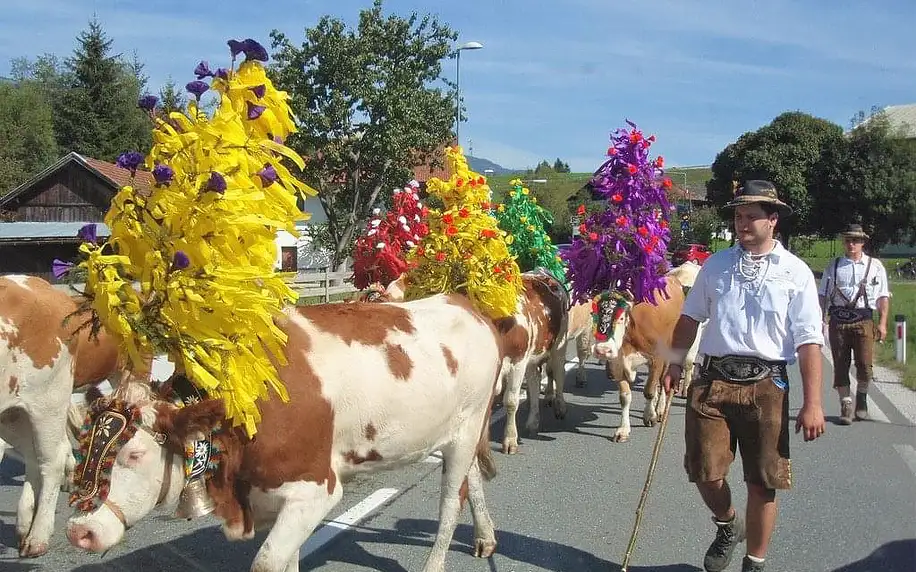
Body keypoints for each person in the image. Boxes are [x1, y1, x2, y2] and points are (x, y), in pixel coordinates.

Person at [662, 180, 826, 572]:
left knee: (762, 481)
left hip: (767, 385)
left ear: (773, 220)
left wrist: (814, 402)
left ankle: (755, 562)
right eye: (738, 215)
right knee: (704, 471)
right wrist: (671, 362)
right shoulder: (715, 265)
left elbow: (808, 340)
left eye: (751, 216)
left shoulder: (796, 273)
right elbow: (688, 319)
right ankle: (727, 523)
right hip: (712, 380)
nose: (742, 223)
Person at [818, 223, 890, 424]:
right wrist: (820, 318)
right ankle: (846, 404)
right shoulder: (833, 265)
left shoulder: (874, 266)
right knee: (840, 365)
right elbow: (822, 294)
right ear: (844, 242)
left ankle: (862, 398)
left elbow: (883, 296)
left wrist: (882, 323)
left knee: (865, 365)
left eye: (856, 240)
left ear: (862, 243)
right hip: (838, 321)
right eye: (848, 240)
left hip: (864, 320)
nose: (851, 244)